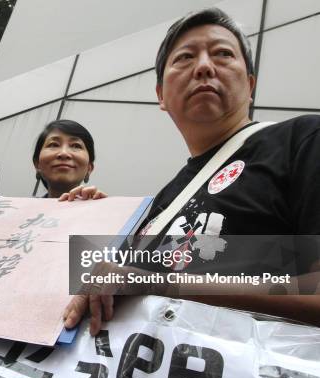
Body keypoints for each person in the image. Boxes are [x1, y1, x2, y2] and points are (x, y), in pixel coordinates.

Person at [64, 7, 320, 335]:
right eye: (184, 58)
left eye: (223, 54)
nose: (203, 67)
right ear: (160, 96)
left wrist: (160, 284)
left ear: (250, 84)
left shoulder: (302, 141)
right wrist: (89, 220)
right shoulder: (163, 201)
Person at [33, 119, 106, 200]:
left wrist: (102, 208)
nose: (64, 153)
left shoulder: (107, 210)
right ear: (37, 164)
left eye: (76, 146)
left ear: (89, 167)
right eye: (54, 145)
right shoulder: (21, 211)